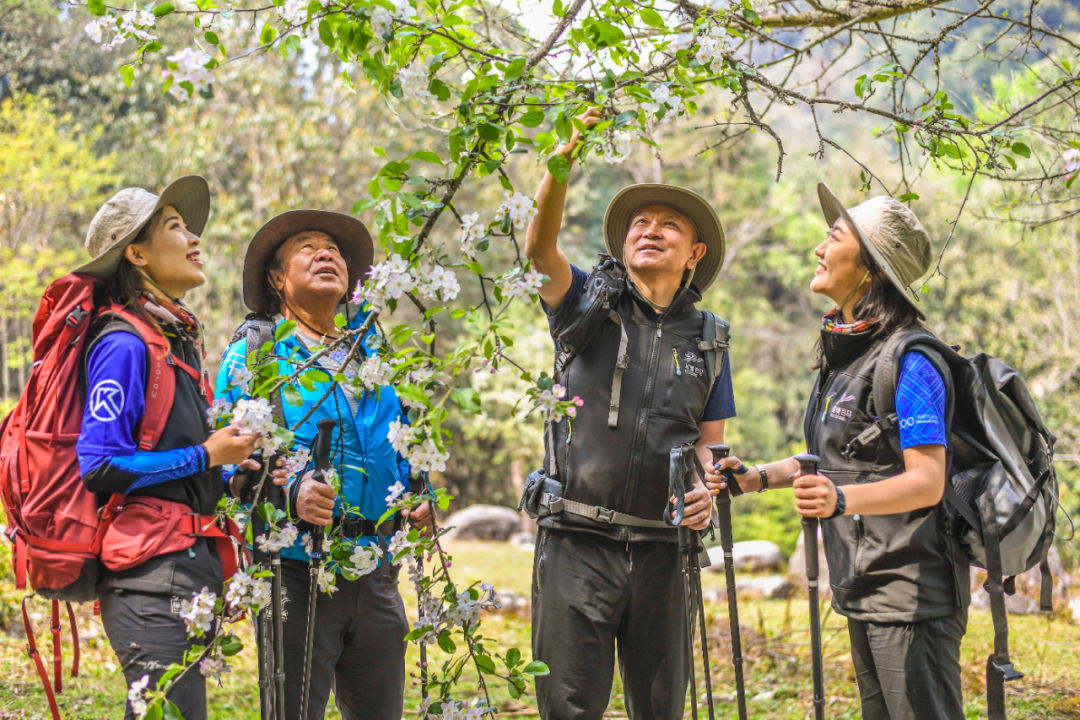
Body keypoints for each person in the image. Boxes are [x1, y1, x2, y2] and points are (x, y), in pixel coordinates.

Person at [712, 183, 970, 720]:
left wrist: (839, 501)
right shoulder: (846, 355)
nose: (818, 249)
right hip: (864, 585)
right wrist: (755, 477)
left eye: (834, 236)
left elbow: (928, 481)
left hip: (911, 597)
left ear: (871, 268)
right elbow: (830, 462)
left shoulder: (912, 360)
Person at [523, 111, 736, 719]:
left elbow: (709, 447)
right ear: (621, 244)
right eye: (640, 222)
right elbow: (538, 252)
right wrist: (561, 162)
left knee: (662, 707)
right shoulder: (586, 304)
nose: (650, 230)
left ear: (693, 253)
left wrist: (703, 488)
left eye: (669, 225)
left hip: (665, 553)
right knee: (568, 706)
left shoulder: (711, 339)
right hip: (575, 542)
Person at [216, 209, 432, 720]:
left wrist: (417, 493)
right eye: (308, 247)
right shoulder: (259, 353)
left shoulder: (373, 355)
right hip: (294, 568)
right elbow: (228, 463)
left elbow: (400, 442)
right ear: (277, 278)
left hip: (376, 568)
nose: (326, 253)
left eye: (333, 249)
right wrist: (287, 495)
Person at [76, 176, 259, 720]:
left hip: (185, 570)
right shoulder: (123, 343)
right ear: (137, 253)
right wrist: (206, 456)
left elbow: (183, 468)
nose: (194, 237)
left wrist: (232, 471)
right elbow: (100, 463)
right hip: (147, 580)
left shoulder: (174, 342)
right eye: (175, 227)